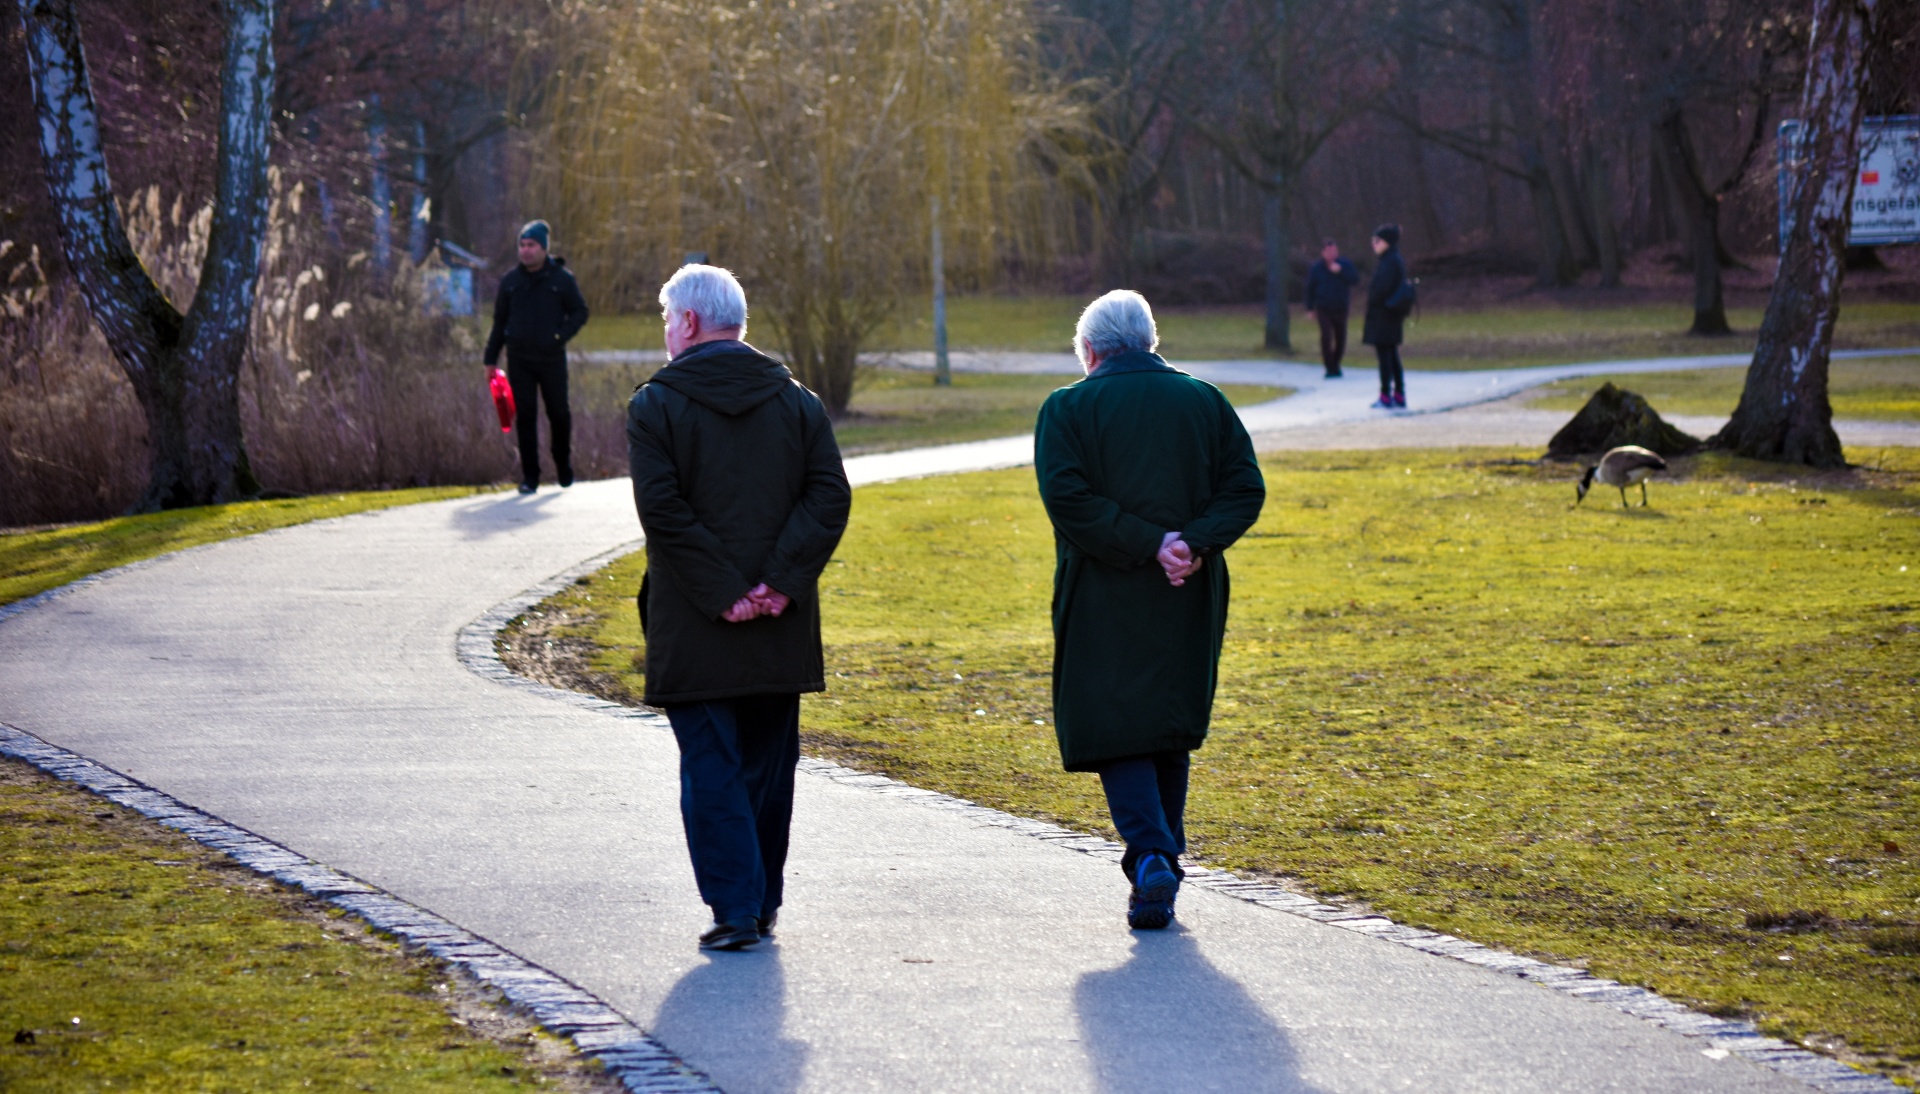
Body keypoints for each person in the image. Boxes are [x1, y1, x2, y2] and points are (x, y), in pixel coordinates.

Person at [626, 264, 851, 952]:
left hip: (694, 623)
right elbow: (828, 496)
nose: (665, 332)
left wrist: (727, 593)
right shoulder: (798, 403)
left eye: (668, 319)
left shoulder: (654, 406)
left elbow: (663, 511)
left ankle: (736, 906)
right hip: (779, 626)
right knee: (766, 765)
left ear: (689, 323)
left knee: (712, 766)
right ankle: (759, 901)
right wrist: (778, 584)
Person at [1033, 290, 1266, 931]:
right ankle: (1159, 859)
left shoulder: (1068, 408)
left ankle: (1152, 854)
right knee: (1167, 719)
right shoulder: (1204, 401)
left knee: (1116, 722)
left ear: (1090, 350)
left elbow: (1068, 499)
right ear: (1150, 341)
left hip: (1104, 589)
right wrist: (1189, 542)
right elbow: (1244, 487)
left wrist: (1146, 542)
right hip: (1187, 585)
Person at [485, 220, 590, 494]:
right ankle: (530, 477)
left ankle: (563, 465)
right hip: (519, 359)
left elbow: (580, 312)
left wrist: (559, 335)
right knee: (526, 416)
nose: (526, 250)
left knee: (559, 413)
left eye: (531, 245)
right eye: (522, 245)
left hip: (552, 359)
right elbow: (499, 322)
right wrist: (490, 359)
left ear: (543, 248)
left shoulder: (562, 279)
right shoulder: (510, 282)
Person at [1362, 222, 1414, 410]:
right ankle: (1398, 394)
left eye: (1378, 240)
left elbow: (1381, 290)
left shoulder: (1390, 262)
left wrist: (1374, 300)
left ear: (1387, 242)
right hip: (1388, 316)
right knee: (1391, 355)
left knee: (1386, 357)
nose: (1374, 244)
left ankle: (1386, 395)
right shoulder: (1391, 260)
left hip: (1384, 316)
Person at [1303, 238, 1360, 379]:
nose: (1331, 254)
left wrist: (1340, 271)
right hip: (1323, 307)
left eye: (1334, 251)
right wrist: (1310, 308)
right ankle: (1329, 367)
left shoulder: (1345, 264)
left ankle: (1336, 364)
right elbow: (1310, 288)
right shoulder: (1317, 268)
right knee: (1326, 336)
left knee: (1341, 337)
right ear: (1323, 253)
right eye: (1328, 251)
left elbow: (1354, 279)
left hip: (1341, 307)